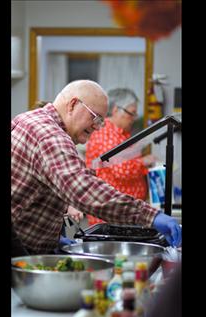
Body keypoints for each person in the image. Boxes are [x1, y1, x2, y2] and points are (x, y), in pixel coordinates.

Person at [11, 79, 181, 255]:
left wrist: (51, 238)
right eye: (96, 117)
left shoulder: (31, 120)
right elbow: (83, 190)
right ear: (73, 105)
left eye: (101, 121)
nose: (97, 127)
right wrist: (151, 216)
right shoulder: (49, 136)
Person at [84, 88, 157, 226]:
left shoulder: (121, 134)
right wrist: (144, 162)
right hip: (110, 215)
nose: (134, 119)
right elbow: (121, 170)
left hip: (124, 213)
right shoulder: (106, 134)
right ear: (116, 110)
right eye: (131, 114)